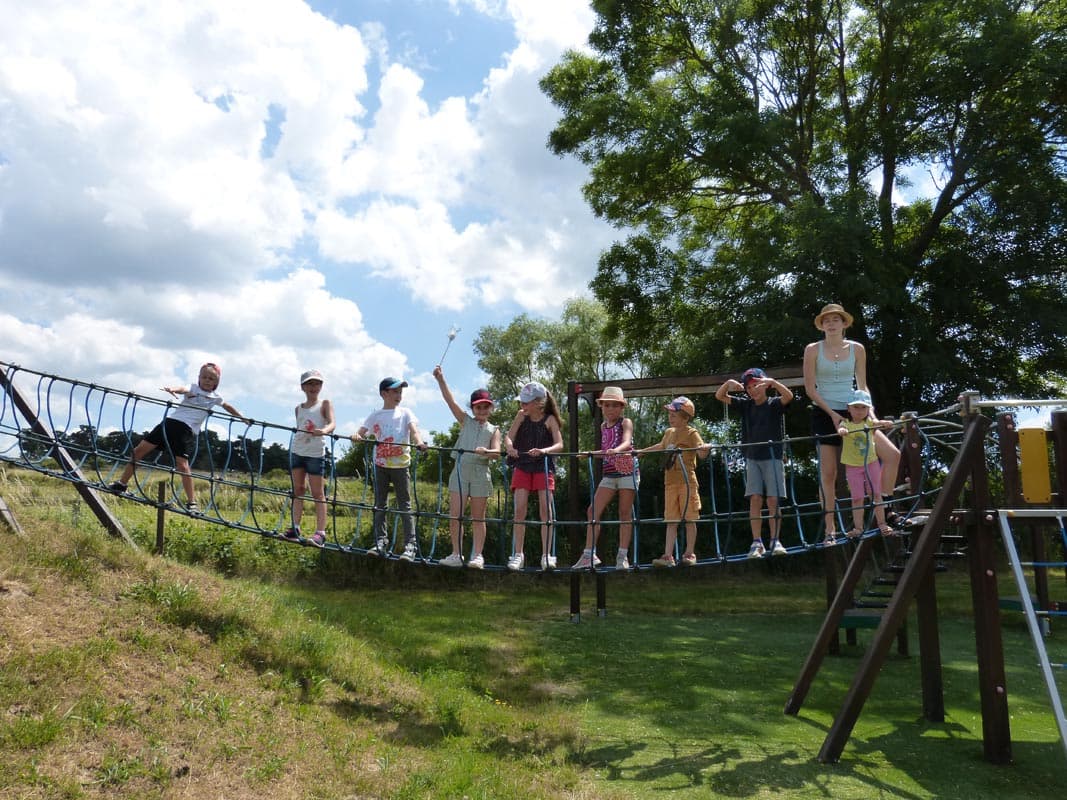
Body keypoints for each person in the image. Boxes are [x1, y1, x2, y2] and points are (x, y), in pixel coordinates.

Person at [803, 303, 901, 545]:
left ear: (844, 323)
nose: (832, 323)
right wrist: (833, 415)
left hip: (855, 409)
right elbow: (810, 389)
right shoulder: (813, 349)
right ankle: (830, 529)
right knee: (829, 473)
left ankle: (884, 505)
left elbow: (862, 385)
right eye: (827, 320)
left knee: (892, 455)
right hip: (825, 411)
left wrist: (872, 414)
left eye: (836, 319)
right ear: (822, 325)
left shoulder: (857, 348)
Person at [109, 362, 249, 513]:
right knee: (138, 452)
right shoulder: (193, 388)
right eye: (204, 377)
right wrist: (172, 389)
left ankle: (192, 502)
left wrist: (241, 417)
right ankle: (121, 484)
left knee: (182, 465)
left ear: (216, 382)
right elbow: (183, 389)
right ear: (199, 378)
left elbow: (227, 406)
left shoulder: (215, 398)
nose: (207, 380)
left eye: (211, 378)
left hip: (185, 430)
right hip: (169, 424)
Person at [715, 368, 794, 558]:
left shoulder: (774, 404)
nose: (753, 390)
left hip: (773, 456)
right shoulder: (746, 405)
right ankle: (756, 542)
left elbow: (788, 395)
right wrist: (728, 384)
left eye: (756, 385)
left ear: (764, 384)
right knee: (755, 499)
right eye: (748, 387)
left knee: (773, 500)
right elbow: (720, 396)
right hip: (752, 457)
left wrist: (774, 383)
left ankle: (775, 541)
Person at [350, 377, 428, 561]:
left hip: (401, 465)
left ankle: (411, 545)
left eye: (400, 392)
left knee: (405, 505)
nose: (398, 395)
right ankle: (380, 542)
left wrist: (419, 442)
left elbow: (414, 430)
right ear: (383, 393)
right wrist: (356, 436)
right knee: (379, 504)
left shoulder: (406, 412)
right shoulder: (376, 415)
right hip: (381, 465)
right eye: (394, 391)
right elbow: (361, 432)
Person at [432, 365, 500, 569]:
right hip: (460, 471)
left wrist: (485, 452)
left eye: (486, 406)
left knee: (478, 518)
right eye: (478, 407)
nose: (482, 410)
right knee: (456, 516)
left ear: (491, 408)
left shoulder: (494, 429)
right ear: (472, 409)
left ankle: (477, 555)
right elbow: (449, 401)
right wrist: (441, 380)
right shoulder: (466, 421)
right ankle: (456, 554)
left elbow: (496, 452)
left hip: (481, 473)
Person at [635, 397, 711, 567]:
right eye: (669, 415)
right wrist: (643, 451)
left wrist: (705, 449)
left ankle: (690, 553)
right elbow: (661, 446)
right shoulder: (669, 433)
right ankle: (668, 556)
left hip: (687, 482)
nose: (670, 418)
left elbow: (701, 452)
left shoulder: (692, 433)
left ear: (685, 417)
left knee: (690, 518)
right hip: (670, 483)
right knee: (671, 520)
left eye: (674, 415)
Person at [573, 386, 638, 570]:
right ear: (601, 407)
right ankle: (589, 554)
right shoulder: (603, 426)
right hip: (610, 472)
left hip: (626, 471)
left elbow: (626, 442)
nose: (611, 409)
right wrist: (591, 454)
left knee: (624, 513)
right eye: (607, 405)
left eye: (615, 406)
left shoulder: (625, 422)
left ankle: (622, 556)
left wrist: (616, 450)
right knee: (592, 510)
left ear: (621, 407)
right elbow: (606, 452)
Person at [504, 381, 564, 571]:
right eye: (522, 402)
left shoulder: (550, 420)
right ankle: (518, 554)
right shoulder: (521, 416)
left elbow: (559, 445)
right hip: (522, 465)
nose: (522, 406)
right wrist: (510, 448)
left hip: (543, 467)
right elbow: (509, 436)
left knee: (546, 511)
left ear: (539, 402)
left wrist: (544, 451)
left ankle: (546, 555)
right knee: (519, 510)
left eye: (526, 402)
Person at [283, 369, 335, 547]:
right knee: (298, 489)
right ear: (302, 387)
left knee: (317, 493)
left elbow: (332, 423)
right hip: (298, 451)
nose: (314, 387)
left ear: (321, 386)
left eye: (317, 383)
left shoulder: (325, 404)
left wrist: (325, 431)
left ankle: (321, 532)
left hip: (315, 453)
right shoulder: (298, 408)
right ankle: (295, 528)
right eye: (310, 384)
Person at [837, 389, 895, 537]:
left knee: (875, 493)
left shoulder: (869, 422)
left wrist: (885, 423)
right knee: (857, 497)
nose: (859, 410)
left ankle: (882, 524)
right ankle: (858, 528)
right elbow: (841, 427)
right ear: (848, 408)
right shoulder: (846, 423)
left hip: (870, 463)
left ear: (868, 409)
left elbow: (878, 423)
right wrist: (842, 430)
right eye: (856, 407)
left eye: (863, 407)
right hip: (852, 466)